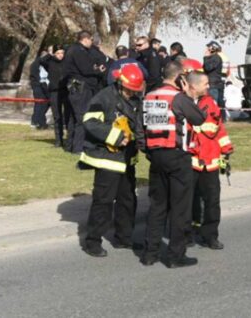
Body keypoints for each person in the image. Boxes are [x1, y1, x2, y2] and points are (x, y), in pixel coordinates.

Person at [140, 62, 208, 268]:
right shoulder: (178, 98)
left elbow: (140, 127)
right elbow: (198, 118)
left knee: (157, 206)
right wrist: (189, 95)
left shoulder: (149, 96)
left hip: (156, 155)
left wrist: (149, 151)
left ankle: (149, 254)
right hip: (177, 156)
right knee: (180, 208)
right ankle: (175, 256)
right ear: (180, 79)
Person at [78, 63, 144, 257]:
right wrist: (114, 136)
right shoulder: (103, 97)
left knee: (128, 200)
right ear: (120, 83)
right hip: (107, 158)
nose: (132, 93)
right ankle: (93, 242)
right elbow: (90, 121)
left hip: (127, 158)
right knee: (103, 201)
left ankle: (124, 238)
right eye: (129, 90)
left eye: (135, 90)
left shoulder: (136, 99)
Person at [189, 84, 234, 250]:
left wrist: (226, 149)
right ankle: (188, 233)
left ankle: (210, 235)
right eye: (204, 84)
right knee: (187, 200)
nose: (208, 86)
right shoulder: (181, 102)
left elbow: (219, 128)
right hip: (190, 160)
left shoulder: (210, 103)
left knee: (212, 201)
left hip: (210, 162)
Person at [63, 31, 107, 154]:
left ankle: (70, 144)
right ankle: (78, 148)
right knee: (82, 116)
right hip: (80, 85)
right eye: (91, 40)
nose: (92, 43)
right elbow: (86, 69)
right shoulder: (78, 51)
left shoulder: (74, 49)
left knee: (74, 116)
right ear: (86, 39)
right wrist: (98, 70)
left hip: (76, 85)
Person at [41, 45, 68, 149]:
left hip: (66, 91)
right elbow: (42, 60)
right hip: (54, 92)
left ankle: (69, 139)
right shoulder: (50, 62)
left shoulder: (66, 62)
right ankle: (58, 140)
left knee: (68, 116)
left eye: (62, 53)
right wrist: (50, 53)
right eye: (58, 53)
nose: (60, 55)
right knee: (57, 117)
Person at [28, 47, 51, 130]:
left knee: (40, 104)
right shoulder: (39, 64)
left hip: (37, 85)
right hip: (40, 85)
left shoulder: (35, 63)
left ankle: (38, 121)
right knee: (41, 104)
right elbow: (42, 77)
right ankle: (37, 122)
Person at [203, 41, 226, 116]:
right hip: (215, 84)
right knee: (218, 103)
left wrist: (206, 57)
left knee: (213, 103)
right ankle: (221, 118)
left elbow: (208, 68)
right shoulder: (214, 58)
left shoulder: (215, 58)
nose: (206, 49)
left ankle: (218, 117)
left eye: (208, 47)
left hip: (214, 85)